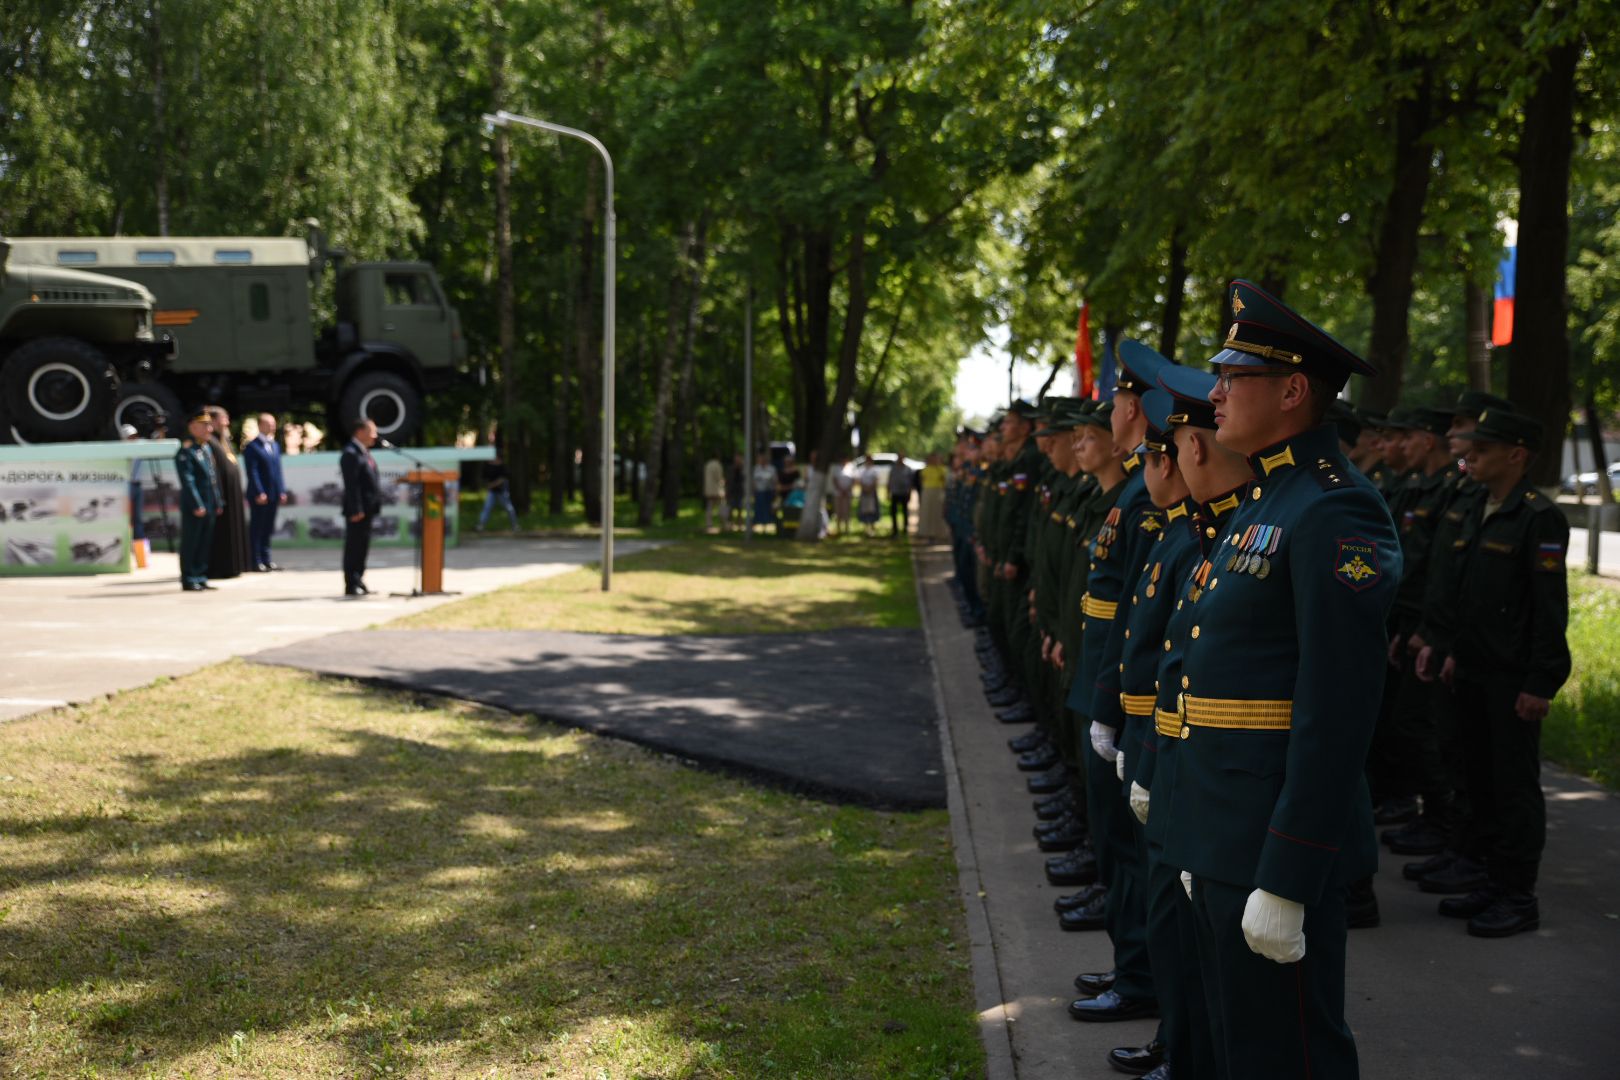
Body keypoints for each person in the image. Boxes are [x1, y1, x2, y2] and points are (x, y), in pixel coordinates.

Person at [1163, 279, 1400, 1080]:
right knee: (1238, 1046)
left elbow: (1337, 711)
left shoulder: (1335, 512)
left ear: (1294, 391)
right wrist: (1199, 830)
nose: (1216, 391)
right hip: (1225, 831)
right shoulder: (1268, 497)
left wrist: (1289, 874)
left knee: (1288, 1056)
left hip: (1269, 844)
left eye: (1235, 377)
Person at [1416, 407, 1570, 937]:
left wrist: (1540, 682)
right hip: (1474, 667)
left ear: (1517, 454)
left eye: (1481, 449)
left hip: (1512, 677)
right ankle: (1487, 876)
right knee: (1476, 776)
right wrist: (1453, 649)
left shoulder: (1537, 516)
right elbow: (1467, 595)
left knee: (1513, 788)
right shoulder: (1482, 505)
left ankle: (1517, 894)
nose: (1468, 455)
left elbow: (1549, 608)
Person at [174, 409, 221, 592]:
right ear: (193, 427)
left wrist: (217, 502)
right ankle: (188, 578)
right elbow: (188, 481)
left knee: (204, 542)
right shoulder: (187, 450)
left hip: (209, 503)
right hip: (195, 505)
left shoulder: (206, 448)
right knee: (191, 542)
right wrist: (197, 504)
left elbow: (212, 479)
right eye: (205, 425)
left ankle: (200, 576)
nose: (210, 428)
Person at [203, 406, 249, 579]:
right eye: (223, 418)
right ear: (213, 421)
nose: (227, 422)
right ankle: (219, 567)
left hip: (232, 495)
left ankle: (232, 566)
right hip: (221, 495)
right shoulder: (210, 442)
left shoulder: (224, 441)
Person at [340, 418, 382, 596]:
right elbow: (352, 485)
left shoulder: (363, 452)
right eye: (371, 431)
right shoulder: (350, 453)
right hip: (358, 510)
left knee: (363, 546)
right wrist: (356, 509)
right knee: (354, 546)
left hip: (367, 509)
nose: (375, 435)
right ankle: (351, 582)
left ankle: (359, 578)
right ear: (360, 432)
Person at [241, 412, 287, 571]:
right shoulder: (252, 447)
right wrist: (259, 491)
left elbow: (278, 471)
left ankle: (267, 559)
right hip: (260, 495)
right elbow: (252, 472)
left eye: (273, 423)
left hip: (273, 494)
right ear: (260, 425)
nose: (272, 426)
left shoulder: (274, 445)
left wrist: (281, 490)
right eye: (269, 424)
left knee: (268, 528)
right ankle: (256, 560)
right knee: (257, 527)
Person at [477, 454, 519, 532]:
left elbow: (503, 479)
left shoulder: (503, 467)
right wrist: (488, 485)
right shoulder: (488, 466)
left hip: (502, 491)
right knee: (487, 508)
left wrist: (492, 485)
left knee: (509, 508)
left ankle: (515, 525)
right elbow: (484, 478)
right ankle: (481, 525)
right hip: (492, 492)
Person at [917, 451, 948, 539]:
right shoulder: (926, 469)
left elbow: (943, 480)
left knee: (937, 512)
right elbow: (922, 480)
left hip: (937, 490)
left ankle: (937, 532)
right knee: (927, 511)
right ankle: (926, 532)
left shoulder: (941, 469)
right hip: (927, 490)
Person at [887, 453, 914, 537]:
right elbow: (890, 480)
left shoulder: (908, 469)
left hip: (904, 493)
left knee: (905, 511)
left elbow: (910, 482)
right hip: (895, 492)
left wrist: (910, 493)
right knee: (893, 511)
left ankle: (905, 528)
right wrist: (888, 492)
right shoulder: (893, 468)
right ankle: (895, 530)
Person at [750, 452, 777, 533]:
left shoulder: (771, 469)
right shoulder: (756, 468)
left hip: (768, 492)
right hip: (759, 492)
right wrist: (754, 491)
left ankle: (767, 525)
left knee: (767, 509)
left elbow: (775, 480)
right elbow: (753, 481)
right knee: (758, 509)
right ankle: (757, 525)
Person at [829, 454, 855, 535]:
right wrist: (841, 490)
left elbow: (853, 480)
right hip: (838, 493)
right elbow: (834, 480)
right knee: (838, 511)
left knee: (847, 511)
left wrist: (846, 490)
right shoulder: (836, 468)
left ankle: (846, 529)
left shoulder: (851, 467)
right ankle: (839, 528)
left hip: (848, 493)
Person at [856, 457, 882, 537]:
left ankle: (872, 527)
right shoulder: (862, 470)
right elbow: (859, 480)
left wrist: (870, 488)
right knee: (864, 510)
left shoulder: (875, 470)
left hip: (872, 492)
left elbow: (876, 480)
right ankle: (866, 528)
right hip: (864, 492)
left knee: (872, 509)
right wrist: (864, 488)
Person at [702, 451, 727, 532]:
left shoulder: (708, 464)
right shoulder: (717, 465)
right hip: (716, 489)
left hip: (708, 489)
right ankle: (724, 523)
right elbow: (719, 478)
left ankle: (709, 523)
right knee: (722, 505)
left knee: (710, 506)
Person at [727, 452, 747, 528]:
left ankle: (739, 524)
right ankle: (730, 524)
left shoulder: (743, 468)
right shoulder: (731, 468)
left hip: (740, 491)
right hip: (732, 491)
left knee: (740, 508)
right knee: (731, 508)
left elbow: (745, 478)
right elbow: (729, 480)